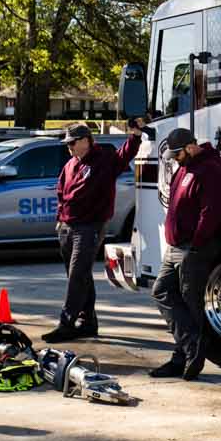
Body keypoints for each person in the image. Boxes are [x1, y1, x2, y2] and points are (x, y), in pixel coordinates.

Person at [44, 119, 145, 343]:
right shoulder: (70, 165)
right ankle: (88, 322)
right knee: (78, 275)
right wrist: (60, 220)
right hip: (68, 226)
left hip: (90, 226)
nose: (69, 147)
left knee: (78, 274)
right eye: (67, 143)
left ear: (86, 141)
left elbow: (124, 155)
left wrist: (135, 136)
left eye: (73, 142)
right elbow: (61, 192)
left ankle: (67, 323)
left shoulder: (103, 160)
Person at [149, 128, 221, 381]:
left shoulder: (209, 169)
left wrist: (196, 243)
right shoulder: (184, 167)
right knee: (161, 291)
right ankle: (190, 347)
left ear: (191, 147)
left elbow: (211, 212)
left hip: (192, 248)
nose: (175, 159)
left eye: (178, 154)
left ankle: (185, 356)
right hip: (175, 247)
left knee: (189, 302)